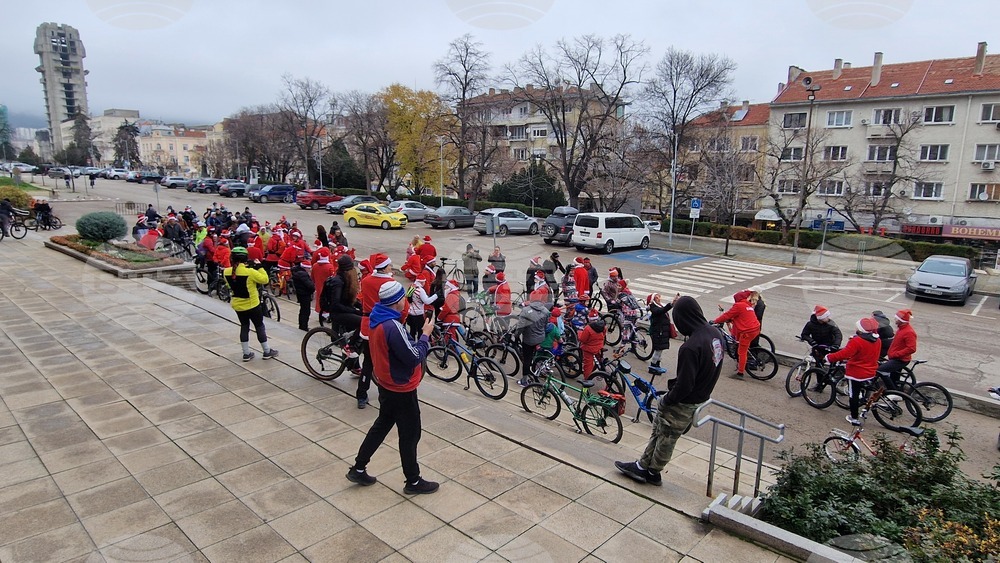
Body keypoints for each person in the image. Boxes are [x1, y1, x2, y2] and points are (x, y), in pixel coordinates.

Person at [615, 297, 724, 485]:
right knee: (659, 431)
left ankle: (653, 473)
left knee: (666, 437)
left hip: (684, 402)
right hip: (701, 396)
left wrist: (667, 400)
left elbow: (685, 385)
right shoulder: (715, 334)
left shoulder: (690, 347)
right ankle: (643, 467)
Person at [345, 281, 439, 495]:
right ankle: (413, 481)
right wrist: (425, 335)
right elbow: (414, 357)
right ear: (397, 301)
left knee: (381, 426)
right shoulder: (392, 327)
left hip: (386, 385)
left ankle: (359, 467)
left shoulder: (377, 319)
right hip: (401, 388)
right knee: (410, 434)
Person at [223, 246, 279, 362]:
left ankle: (246, 353)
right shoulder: (250, 272)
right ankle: (267, 351)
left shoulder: (226, 272)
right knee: (259, 326)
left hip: (238, 305)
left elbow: (230, 285)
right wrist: (259, 267)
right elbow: (265, 280)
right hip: (252, 304)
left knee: (244, 326)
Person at [826, 317, 882, 425]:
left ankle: (854, 417)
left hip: (856, 373)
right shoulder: (877, 340)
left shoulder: (856, 341)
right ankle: (865, 408)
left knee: (853, 395)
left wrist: (829, 357)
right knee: (864, 392)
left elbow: (845, 354)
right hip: (870, 371)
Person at [358, 254, 397, 409]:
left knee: (368, 362)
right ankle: (385, 396)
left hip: (367, 325)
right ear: (385, 267)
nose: (391, 267)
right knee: (385, 363)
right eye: (390, 265)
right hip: (385, 326)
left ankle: (361, 395)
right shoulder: (390, 283)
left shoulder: (366, 281)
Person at [713, 292, 761, 379]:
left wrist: (715, 321)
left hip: (747, 331)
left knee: (741, 352)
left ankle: (740, 373)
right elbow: (739, 317)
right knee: (740, 343)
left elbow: (727, 315)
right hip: (755, 328)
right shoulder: (748, 305)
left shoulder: (739, 305)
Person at [324, 255, 364, 357]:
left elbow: (348, 298)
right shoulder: (338, 282)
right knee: (363, 323)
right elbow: (336, 304)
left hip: (345, 310)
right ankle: (349, 347)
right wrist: (354, 311)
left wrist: (361, 307)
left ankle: (353, 363)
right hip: (338, 313)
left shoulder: (346, 278)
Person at [516, 298, 551, 386]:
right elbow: (545, 325)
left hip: (529, 339)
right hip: (540, 338)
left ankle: (524, 380)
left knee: (527, 359)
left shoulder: (526, 310)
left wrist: (516, 335)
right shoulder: (546, 311)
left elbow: (520, 327)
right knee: (533, 356)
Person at [878, 309, 916, 389]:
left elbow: (912, 348)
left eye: (897, 318)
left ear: (901, 320)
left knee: (881, 370)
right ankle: (895, 395)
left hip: (899, 360)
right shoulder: (901, 329)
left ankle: (892, 393)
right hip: (895, 358)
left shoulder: (909, 332)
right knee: (894, 379)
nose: (895, 320)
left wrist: (896, 354)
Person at [647, 293, 678, 375]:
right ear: (653, 300)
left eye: (659, 297)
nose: (659, 299)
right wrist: (671, 304)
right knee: (658, 350)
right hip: (658, 332)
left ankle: (657, 366)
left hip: (662, 332)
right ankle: (653, 366)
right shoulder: (653, 307)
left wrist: (674, 302)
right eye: (656, 298)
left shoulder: (659, 306)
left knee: (660, 351)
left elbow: (663, 310)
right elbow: (662, 311)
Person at [578, 309, 606, 381]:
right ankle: (603, 371)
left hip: (589, 349)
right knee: (600, 359)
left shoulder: (588, 328)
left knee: (588, 365)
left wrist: (579, 334)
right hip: (599, 346)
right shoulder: (603, 326)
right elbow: (604, 334)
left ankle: (587, 380)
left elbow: (583, 340)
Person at [311, 247, 335, 319]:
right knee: (327, 299)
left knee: (319, 298)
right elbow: (333, 277)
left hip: (318, 285)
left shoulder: (315, 266)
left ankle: (320, 311)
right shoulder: (330, 267)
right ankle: (326, 313)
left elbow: (312, 277)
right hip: (327, 287)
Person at [291, 259, 314, 331]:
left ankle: (302, 325)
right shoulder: (303, 275)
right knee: (305, 311)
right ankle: (303, 326)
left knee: (303, 310)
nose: (310, 270)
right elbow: (310, 285)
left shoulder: (298, 272)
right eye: (309, 268)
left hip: (301, 293)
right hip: (304, 294)